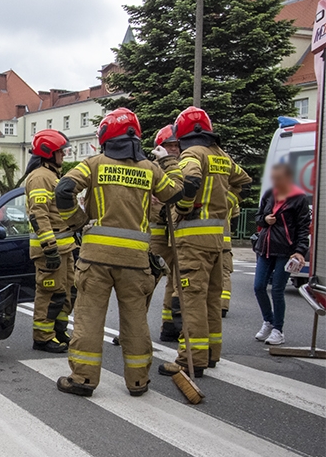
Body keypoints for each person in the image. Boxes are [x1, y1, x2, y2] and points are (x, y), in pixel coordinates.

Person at [55, 108, 184, 396]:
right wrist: (171, 161)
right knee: (136, 321)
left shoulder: (93, 164)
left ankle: (83, 379)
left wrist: (77, 221)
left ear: (106, 138)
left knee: (89, 319)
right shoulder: (149, 169)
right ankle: (137, 381)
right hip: (135, 260)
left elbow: (63, 189)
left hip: (95, 258)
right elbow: (175, 193)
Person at [158, 107, 251, 377]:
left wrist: (185, 207)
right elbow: (244, 184)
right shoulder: (221, 156)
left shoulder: (193, 154)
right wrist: (225, 207)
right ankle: (211, 354)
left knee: (191, 300)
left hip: (192, 241)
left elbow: (192, 179)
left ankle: (191, 359)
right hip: (216, 240)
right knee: (211, 298)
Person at [25, 129, 81, 353]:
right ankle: (42, 336)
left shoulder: (52, 175)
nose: (63, 155)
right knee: (50, 292)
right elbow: (39, 214)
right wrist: (49, 248)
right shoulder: (40, 177)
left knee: (68, 291)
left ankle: (58, 330)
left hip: (64, 247)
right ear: (49, 153)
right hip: (50, 249)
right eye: (60, 151)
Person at [253, 163, 311, 345]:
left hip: (286, 249)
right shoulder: (270, 193)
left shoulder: (298, 198)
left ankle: (278, 329)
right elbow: (258, 216)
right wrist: (265, 219)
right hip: (266, 246)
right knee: (259, 286)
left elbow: (303, 227)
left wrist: (300, 251)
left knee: (277, 290)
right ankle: (268, 321)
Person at [149, 126, 183, 342]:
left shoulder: (184, 167)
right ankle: (129, 329)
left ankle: (169, 327)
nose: (174, 150)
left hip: (178, 234)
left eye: (176, 145)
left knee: (177, 280)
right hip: (157, 234)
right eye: (169, 146)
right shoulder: (152, 167)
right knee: (146, 282)